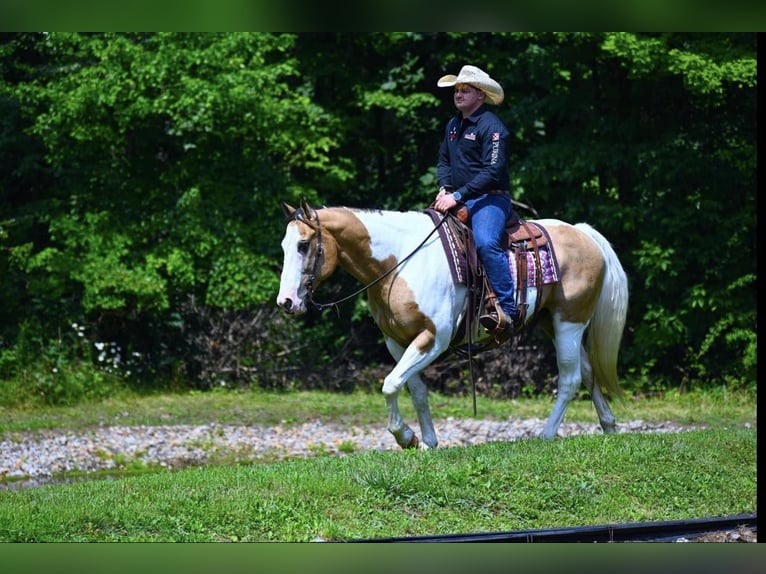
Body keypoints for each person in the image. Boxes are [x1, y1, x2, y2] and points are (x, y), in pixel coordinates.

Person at [431, 64, 521, 338]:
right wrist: (445, 188)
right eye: (456, 90)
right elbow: (444, 160)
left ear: (480, 95)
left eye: (465, 90)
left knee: (485, 243)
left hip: (491, 200)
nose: (458, 94)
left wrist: (457, 196)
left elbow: (492, 171)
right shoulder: (453, 124)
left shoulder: (492, 127)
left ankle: (508, 310)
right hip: (457, 198)